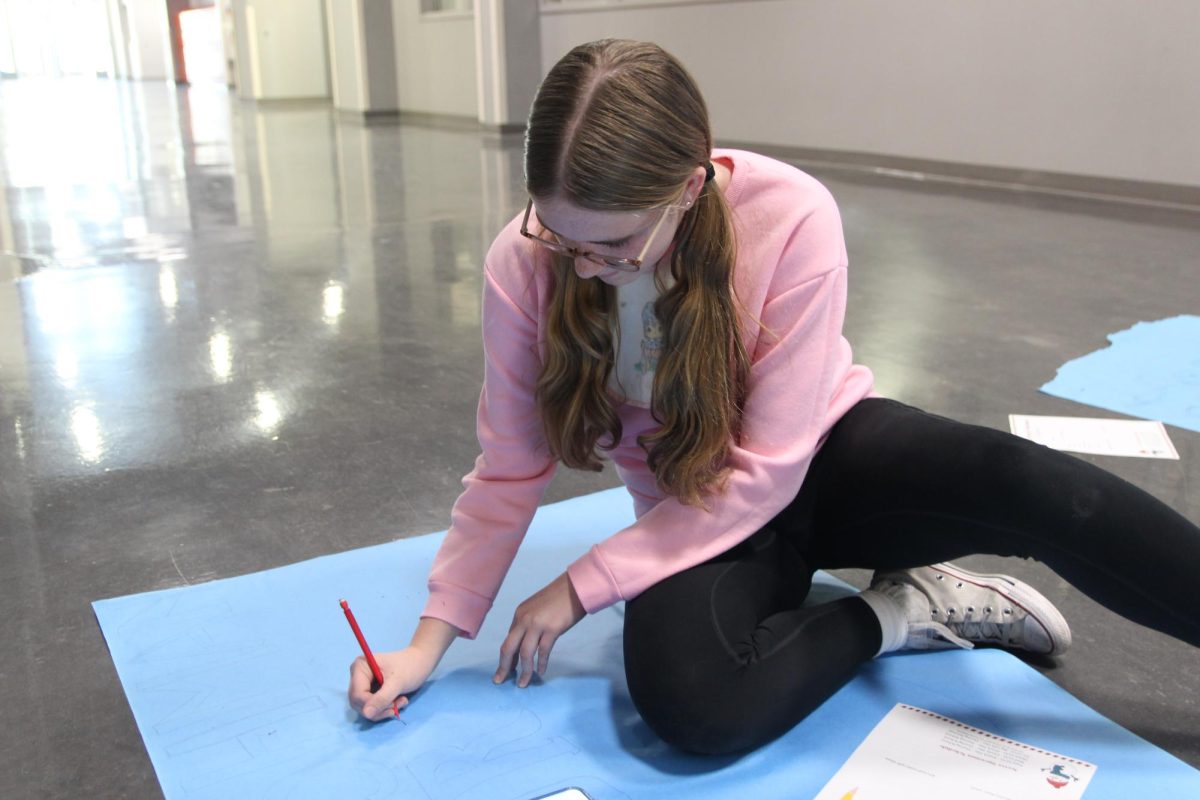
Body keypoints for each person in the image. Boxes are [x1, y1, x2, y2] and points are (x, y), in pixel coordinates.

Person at [347, 39, 1200, 756]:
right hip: (699, 509)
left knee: (1046, 489)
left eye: (607, 243)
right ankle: (907, 610)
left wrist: (581, 584)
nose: (576, 264)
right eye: (554, 232)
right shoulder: (520, 263)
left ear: (686, 187)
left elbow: (770, 468)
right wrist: (427, 644)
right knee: (692, 703)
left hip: (829, 463)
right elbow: (507, 468)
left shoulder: (790, 214)